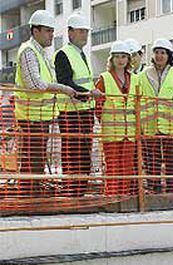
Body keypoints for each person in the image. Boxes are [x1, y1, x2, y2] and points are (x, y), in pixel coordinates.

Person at [14, 9, 75, 195]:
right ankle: (29, 196)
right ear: (36, 31)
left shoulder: (41, 53)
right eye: (48, 31)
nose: (51, 35)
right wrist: (62, 88)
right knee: (32, 160)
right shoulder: (28, 52)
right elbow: (35, 84)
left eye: (52, 31)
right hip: (31, 118)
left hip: (41, 117)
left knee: (38, 159)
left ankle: (33, 194)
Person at [54, 13, 101, 196]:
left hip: (85, 112)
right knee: (73, 153)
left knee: (84, 154)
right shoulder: (63, 54)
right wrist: (88, 94)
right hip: (71, 113)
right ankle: (72, 191)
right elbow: (65, 82)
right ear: (70, 33)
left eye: (86, 32)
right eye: (81, 31)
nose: (85, 35)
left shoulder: (81, 54)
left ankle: (80, 190)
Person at [137, 38, 173, 193]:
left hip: (171, 126)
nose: (159, 56)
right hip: (149, 125)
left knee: (171, 159)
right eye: (157, 52)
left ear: (169, 56)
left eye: (163, 53)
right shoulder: (142, 76)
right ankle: (154, 187)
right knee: (150, 159)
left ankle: (172, 187)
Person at [95, 41, 139, 197]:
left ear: (128, 59)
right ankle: (112, 198)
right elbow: (98, 107)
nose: (120, 60)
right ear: (111, 59)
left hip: (130, 134)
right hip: (111, 134)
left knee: (126, 168)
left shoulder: (135, 79)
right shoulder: (104, 79)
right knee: (113, 167)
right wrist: (107, 122)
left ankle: (124, 197)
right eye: (117, 57)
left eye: (124, 57)